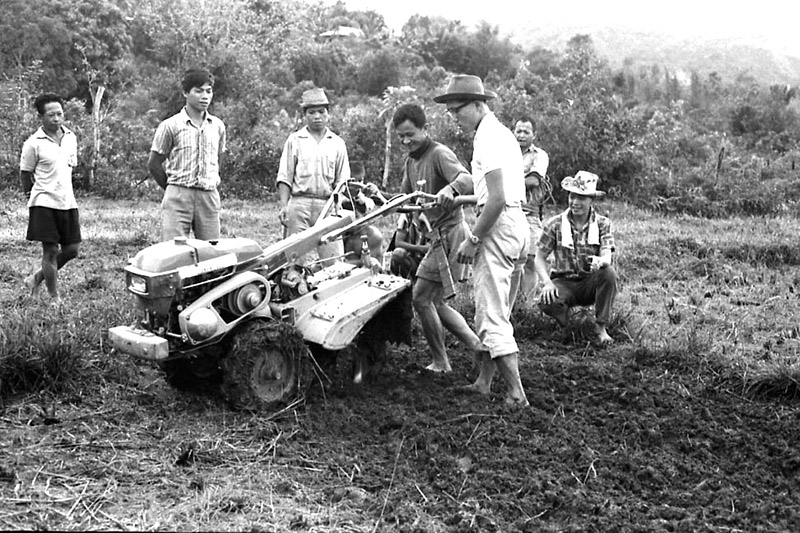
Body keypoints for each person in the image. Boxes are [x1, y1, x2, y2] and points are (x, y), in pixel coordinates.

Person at [434, 75, 530, 406]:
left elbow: (497, 198)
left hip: (497, 226)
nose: (454, 118)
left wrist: (474, 237)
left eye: (457, 110)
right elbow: (493, 193)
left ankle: (516, 393)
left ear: (477, 105)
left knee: (492, 315)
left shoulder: (488, 139)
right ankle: (484, 382)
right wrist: (457, 199)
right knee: (495, 309)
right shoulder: (501, 134)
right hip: (516, 224)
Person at [392, 103, 485, 373]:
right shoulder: (411, 161)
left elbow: (467, 180)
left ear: (425, 129)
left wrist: (451, 188)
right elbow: (405, 199)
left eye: (411, 134)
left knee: (421, 298)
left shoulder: (439, 154)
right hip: (435, 237)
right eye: (401, 137)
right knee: (434, 301)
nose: (406, 141)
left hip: (451, 234)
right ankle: (476, 345)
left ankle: (442, 361)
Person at [534, 171, 617, 345]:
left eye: (582, 198)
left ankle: (600, 327)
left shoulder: (603, 224)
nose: (575, 202)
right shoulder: (555, 223)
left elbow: (607, 254)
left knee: (608, 273)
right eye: (572, 197)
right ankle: (566, 324)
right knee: (547, 301)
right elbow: (539, 258)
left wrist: (600, 261)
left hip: (589, 282)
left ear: (591, 200)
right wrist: (547, 283)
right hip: (564, 281)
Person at [148, 68, 226, 242]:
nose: (204, 96)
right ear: (185, 93)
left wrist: (211, 180)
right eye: (198, 91)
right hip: (178, 195)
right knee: (173, 252)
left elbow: (219, 157)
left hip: (208, 196)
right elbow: (153, 164)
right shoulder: (171, 125)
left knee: (212, 252)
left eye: (208, 91)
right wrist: (172, 188)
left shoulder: (217, 126)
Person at [276, 88, 351, 266]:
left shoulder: (337, 143)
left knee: (333, 260)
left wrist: (337, 204)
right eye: (312, 112)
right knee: (294, 259)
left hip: (327, 205)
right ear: (304, 115)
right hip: (299, 203)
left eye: (321, 112)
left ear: (328, 114)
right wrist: (284, 206)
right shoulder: (295, 140)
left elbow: (343, 181)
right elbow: (285, 176)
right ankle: (294, 289)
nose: (317, 116)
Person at [19, 93, 81, 303]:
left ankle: (36, 277)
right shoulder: (33, 143)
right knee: (51, 250)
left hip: (68, 202)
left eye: (59, 114)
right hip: (44, 202)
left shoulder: (71, 137)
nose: (56, 119)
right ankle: (54, 297)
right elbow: (25, 173)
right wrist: (31, 195)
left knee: (72, 250)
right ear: (41, 117)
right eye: (51, 115)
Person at [511, 116, 550, 307]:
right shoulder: (506, 153)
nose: (521, 135)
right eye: (518, 131)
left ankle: (526, 304)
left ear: (534, 135)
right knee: (511, 258)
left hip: (530, 213)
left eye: (526, 131)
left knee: (531, 259)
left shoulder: (539, 155)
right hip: (509, 210)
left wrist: (505, 182)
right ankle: (513, 304)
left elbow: (534, 180)